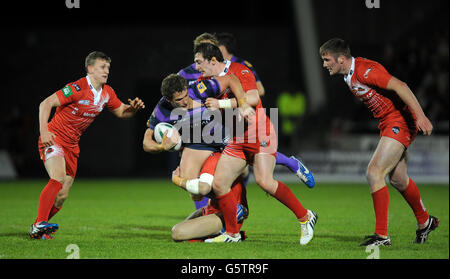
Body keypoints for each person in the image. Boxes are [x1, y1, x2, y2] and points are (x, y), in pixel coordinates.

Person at [194, 43, 318, 244]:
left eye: (199, 62)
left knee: (264, 182)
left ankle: (306, 217)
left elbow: (252, 97)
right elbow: (199, 102)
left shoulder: (239, 70)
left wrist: (222, 104)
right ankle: (232, 234)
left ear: (213, 60)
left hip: (259, 133)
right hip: (237, 138)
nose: (196, 67)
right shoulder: (205, 80)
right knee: (219, 184)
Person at [319, 38, 439, 246]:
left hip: (399, 121)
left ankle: (382, 236)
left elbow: (401, 85)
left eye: (327, 59)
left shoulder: (366, 70)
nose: (324, 64)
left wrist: (420, 116)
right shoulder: (348, 76)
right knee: (398, 179)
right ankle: (425, 221)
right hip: (388, 122)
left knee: (374, 172)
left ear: (340, 59)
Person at [179, 34, 313, 211]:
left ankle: (238, 209)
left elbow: (257, 93)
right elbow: (184, 97)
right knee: (212, 176)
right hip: (218, 124)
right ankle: (231, 215)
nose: (197, 65)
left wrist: (233, 102)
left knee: (252, 176)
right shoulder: (193, 72)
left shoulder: (240, 66)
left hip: (248, 125)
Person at [30, 51, 145, 239]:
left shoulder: (107, 93)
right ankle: (40, 224)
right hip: (54, 138)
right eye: (102, 67)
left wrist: (132, 108)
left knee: (62, 196)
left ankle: (37, 226)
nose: (107, 71)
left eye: (108, 67)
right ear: (90, 69)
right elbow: (45, 103)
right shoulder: (76, 88)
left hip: (72, 146)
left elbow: (122, 112)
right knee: (57, 178)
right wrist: (44, 131)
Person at [171, 152, 249, 242]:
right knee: (187, 236)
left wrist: (176, 179)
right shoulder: (200, 163)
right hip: (213, 208)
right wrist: (189, 179)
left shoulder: (213, 158)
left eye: (183, 152)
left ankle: (235, 216)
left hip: (228, 210)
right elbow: (196, 197)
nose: (181, 156)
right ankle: (218, 233)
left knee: (177, 232)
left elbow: (203, 189)